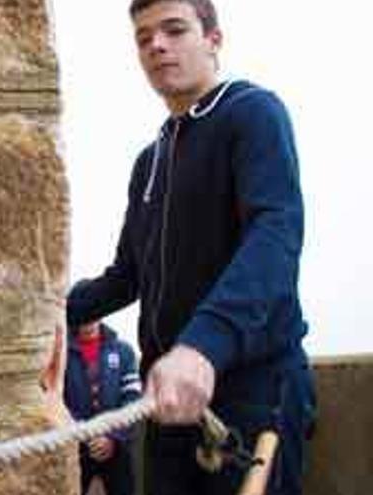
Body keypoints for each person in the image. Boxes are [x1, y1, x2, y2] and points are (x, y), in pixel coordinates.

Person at [64, 1, 316, 494]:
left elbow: (275, 237)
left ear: (214, 40)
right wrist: (49, 312)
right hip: (167, 400)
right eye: (143, 38)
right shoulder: (148, 160)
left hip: (249, 391)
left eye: (174, 30)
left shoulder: (253, 113)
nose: (156, 45)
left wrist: (202, 345)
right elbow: (128, 276)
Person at [62, 280, 141, 495]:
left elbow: (132, 399)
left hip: (118, 447)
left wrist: (113, 437)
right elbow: (57, 401)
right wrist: (85, 435)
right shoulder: (60, 353)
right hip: (75, 446)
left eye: (93, 308)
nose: (88, 316)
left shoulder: (124, 351)